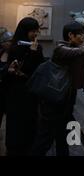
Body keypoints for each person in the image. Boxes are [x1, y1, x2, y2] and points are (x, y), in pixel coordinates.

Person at [31, 21, 84, 156]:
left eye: (83, 35)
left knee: (62, 135)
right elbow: (80, 52)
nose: (83, 38)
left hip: (67, 97)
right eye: (80, 35)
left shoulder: (75, 49)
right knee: (46, 136)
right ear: (70, 35)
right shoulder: (60, 49)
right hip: (53, 99)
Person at [5, 17, 44, 156]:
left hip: (30, 91)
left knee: (30, 119)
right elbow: (10, 71)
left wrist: (34, 53)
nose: (35, 34)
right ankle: (14, 148)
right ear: (25, 31)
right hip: (16, 91)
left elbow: (37, 69)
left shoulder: (37, 48)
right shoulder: (14, 47)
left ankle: (28, 146)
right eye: (33, 31)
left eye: (36, 31)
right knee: (15, 121)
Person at [0, 31, 13, 131]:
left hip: (9, 92)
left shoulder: (15, 55)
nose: (11, 43)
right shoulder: (1, 53)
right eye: (9, 41)